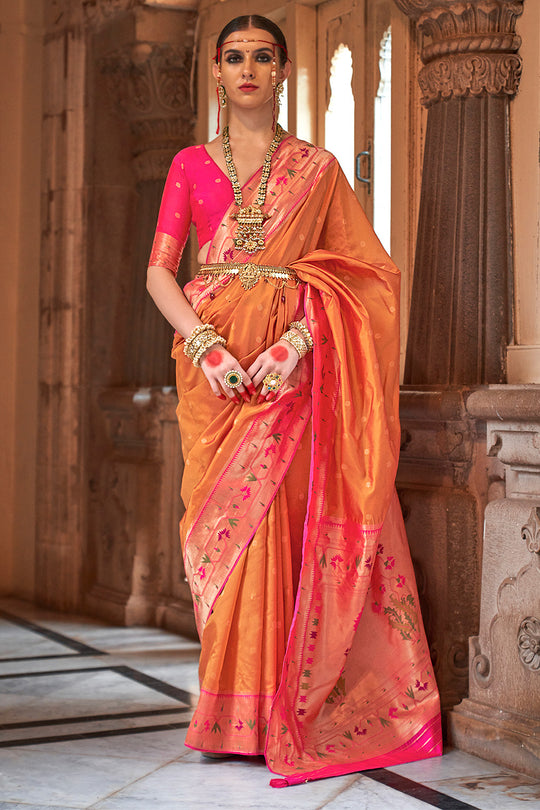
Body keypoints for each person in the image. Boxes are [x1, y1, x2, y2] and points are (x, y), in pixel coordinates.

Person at [146, 14, 442, 788]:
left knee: (279, 525)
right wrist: (206, 346)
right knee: (221, 535)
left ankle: (279, 706)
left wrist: (295, 346)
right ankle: (225, 710)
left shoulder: (318, 168)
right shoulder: (188, 165)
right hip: (212, 372)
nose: (247, 68)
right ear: (217, 71)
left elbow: (362, 279)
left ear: (282, 72)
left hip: (290, 371)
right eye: (234, 57)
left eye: (263, 57)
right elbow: (159, 272)